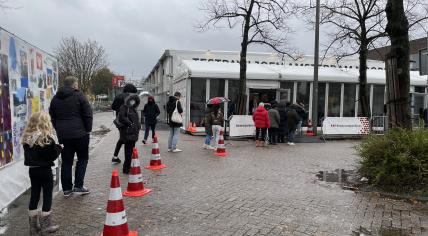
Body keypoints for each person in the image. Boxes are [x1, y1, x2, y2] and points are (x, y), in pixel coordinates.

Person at [49, 76, 92, 196]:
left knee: (67, 161)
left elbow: (52, 116)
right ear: (74, 85)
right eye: (77, 84)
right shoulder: (79, 96)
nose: (77, 86)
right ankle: (78, 186)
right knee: (82, 159)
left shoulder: (55, 98)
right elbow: (88, 114)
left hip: (64, 135)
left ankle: (67, 189)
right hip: (80, 134)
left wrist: (59, 129)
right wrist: (88, 129)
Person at [22, 112, 61, 235]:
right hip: (45, 170)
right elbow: (51, 156)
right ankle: (46, 226)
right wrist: (59, 148)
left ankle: (33, 228)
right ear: (45, 122)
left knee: (34, 195)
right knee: (47, 195)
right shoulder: (46, 138)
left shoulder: (27, 138)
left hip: (33, 170)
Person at [111, 84, 138, 163]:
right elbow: (134, 109)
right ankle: (128, 161)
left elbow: (113, 107)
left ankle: (115, 156)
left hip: (119, 122)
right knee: (130, 140)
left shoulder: (118, 96)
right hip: (129, 121)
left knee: (122, 138)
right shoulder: (131, 97)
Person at [117, 94, 141, 174]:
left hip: (133, 133)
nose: (132, 102)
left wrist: (137, 125)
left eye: (134, 101)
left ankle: (127, 167)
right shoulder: (124, 107)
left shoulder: (133, 108)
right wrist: (130, 124)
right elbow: (122, 117)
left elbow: (135, 120)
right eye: (131, 100)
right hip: (127, 133)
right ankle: (126, 168)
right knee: (128, 152)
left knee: (130, 151)